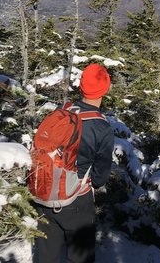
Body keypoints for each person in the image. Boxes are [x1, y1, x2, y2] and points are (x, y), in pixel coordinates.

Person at [34, 63, 114, 263]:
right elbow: (100, 177)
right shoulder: (102, 127)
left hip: (45, 193)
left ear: (81, 87)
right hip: (77, 200)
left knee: (46, 257)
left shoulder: (64, 111)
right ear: (105, 90)